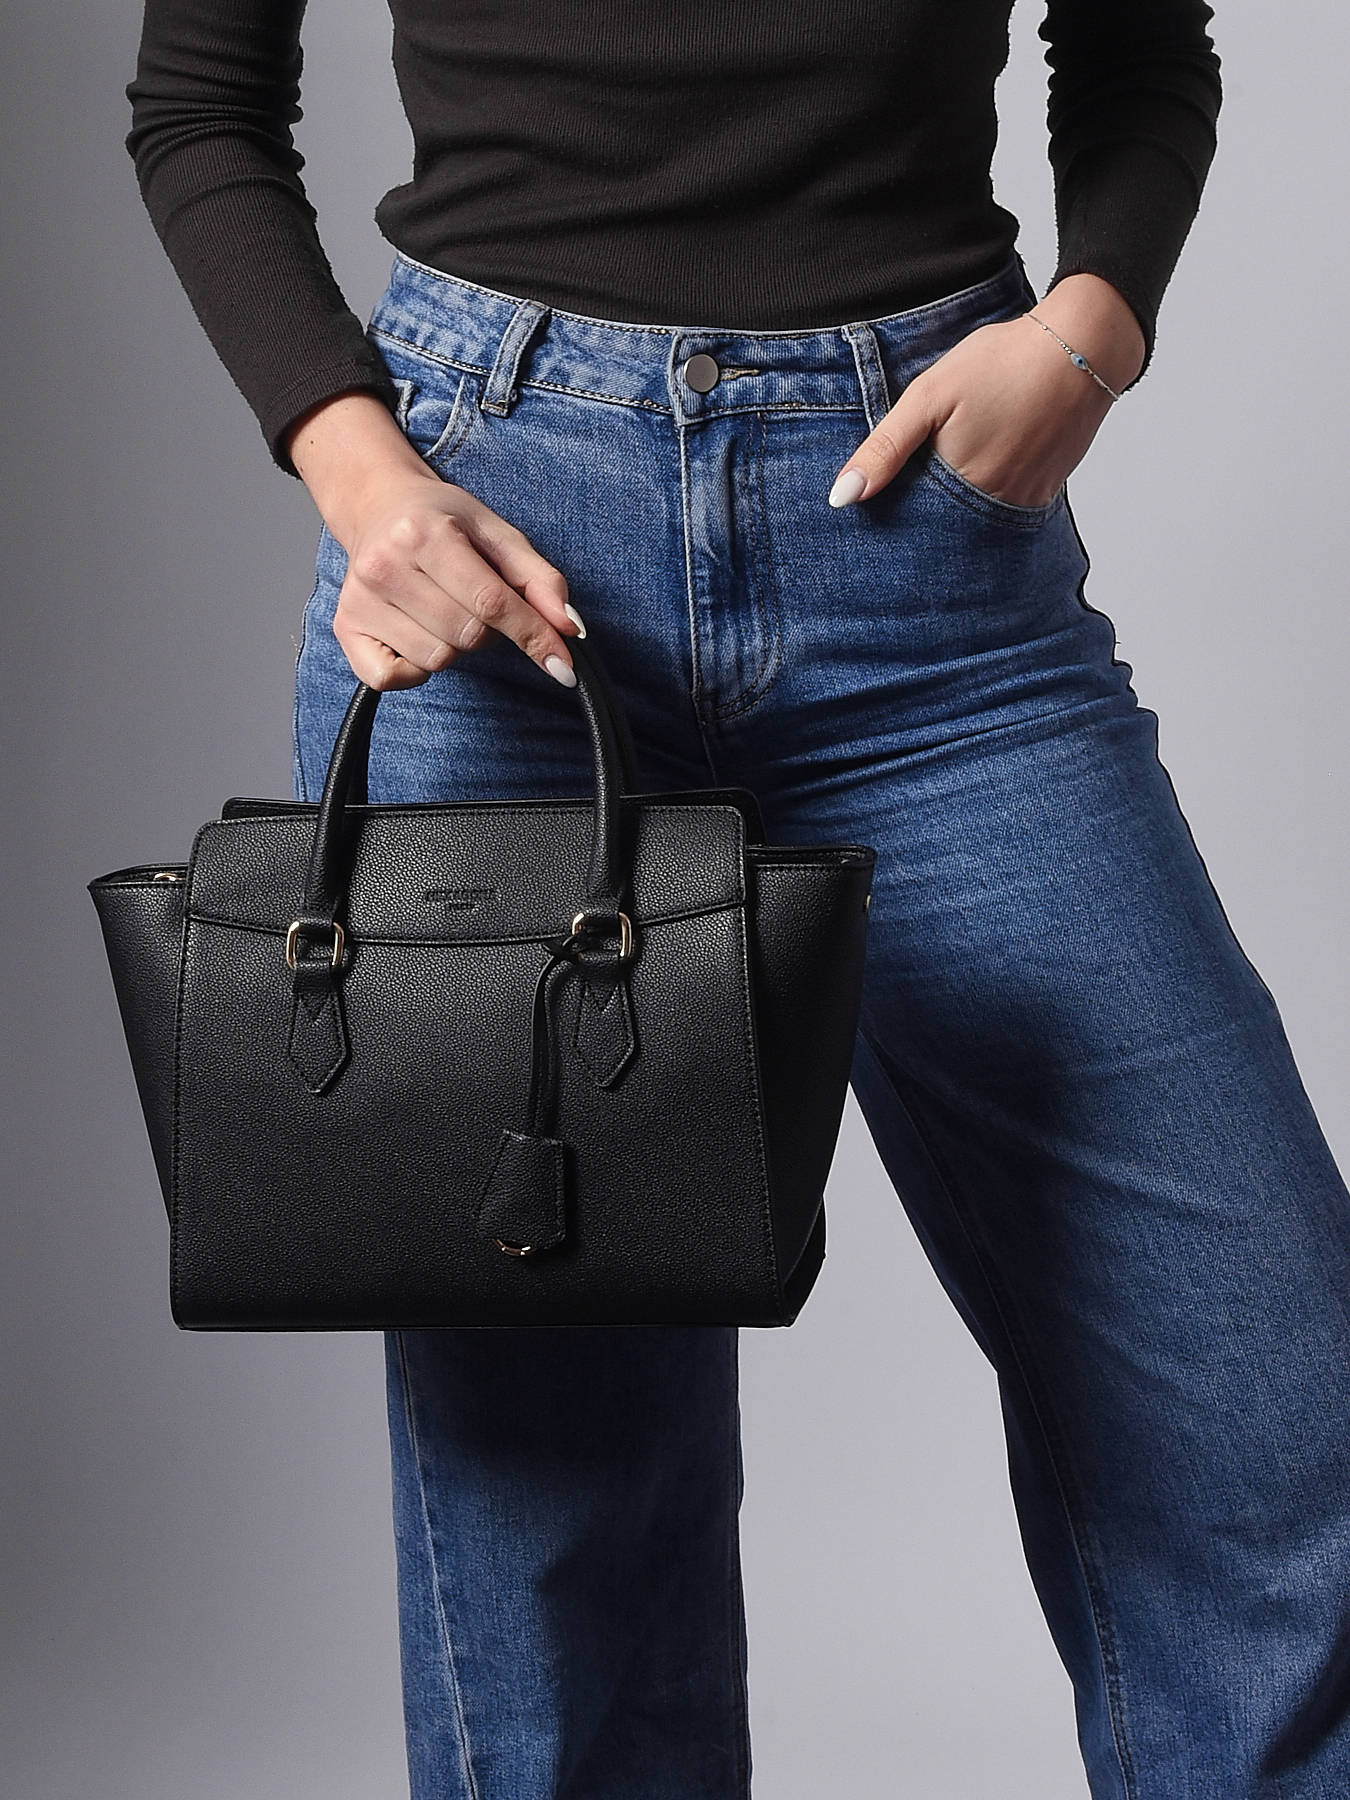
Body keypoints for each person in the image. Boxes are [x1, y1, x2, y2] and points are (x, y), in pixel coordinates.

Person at [122, 3, 1350, 1795]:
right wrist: (361, 473)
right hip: (489, 554)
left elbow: (1141, 45)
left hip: (927, 581)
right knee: (556, 1518)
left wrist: (1088, 332)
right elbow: (196, 105)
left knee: (1270, 1406)